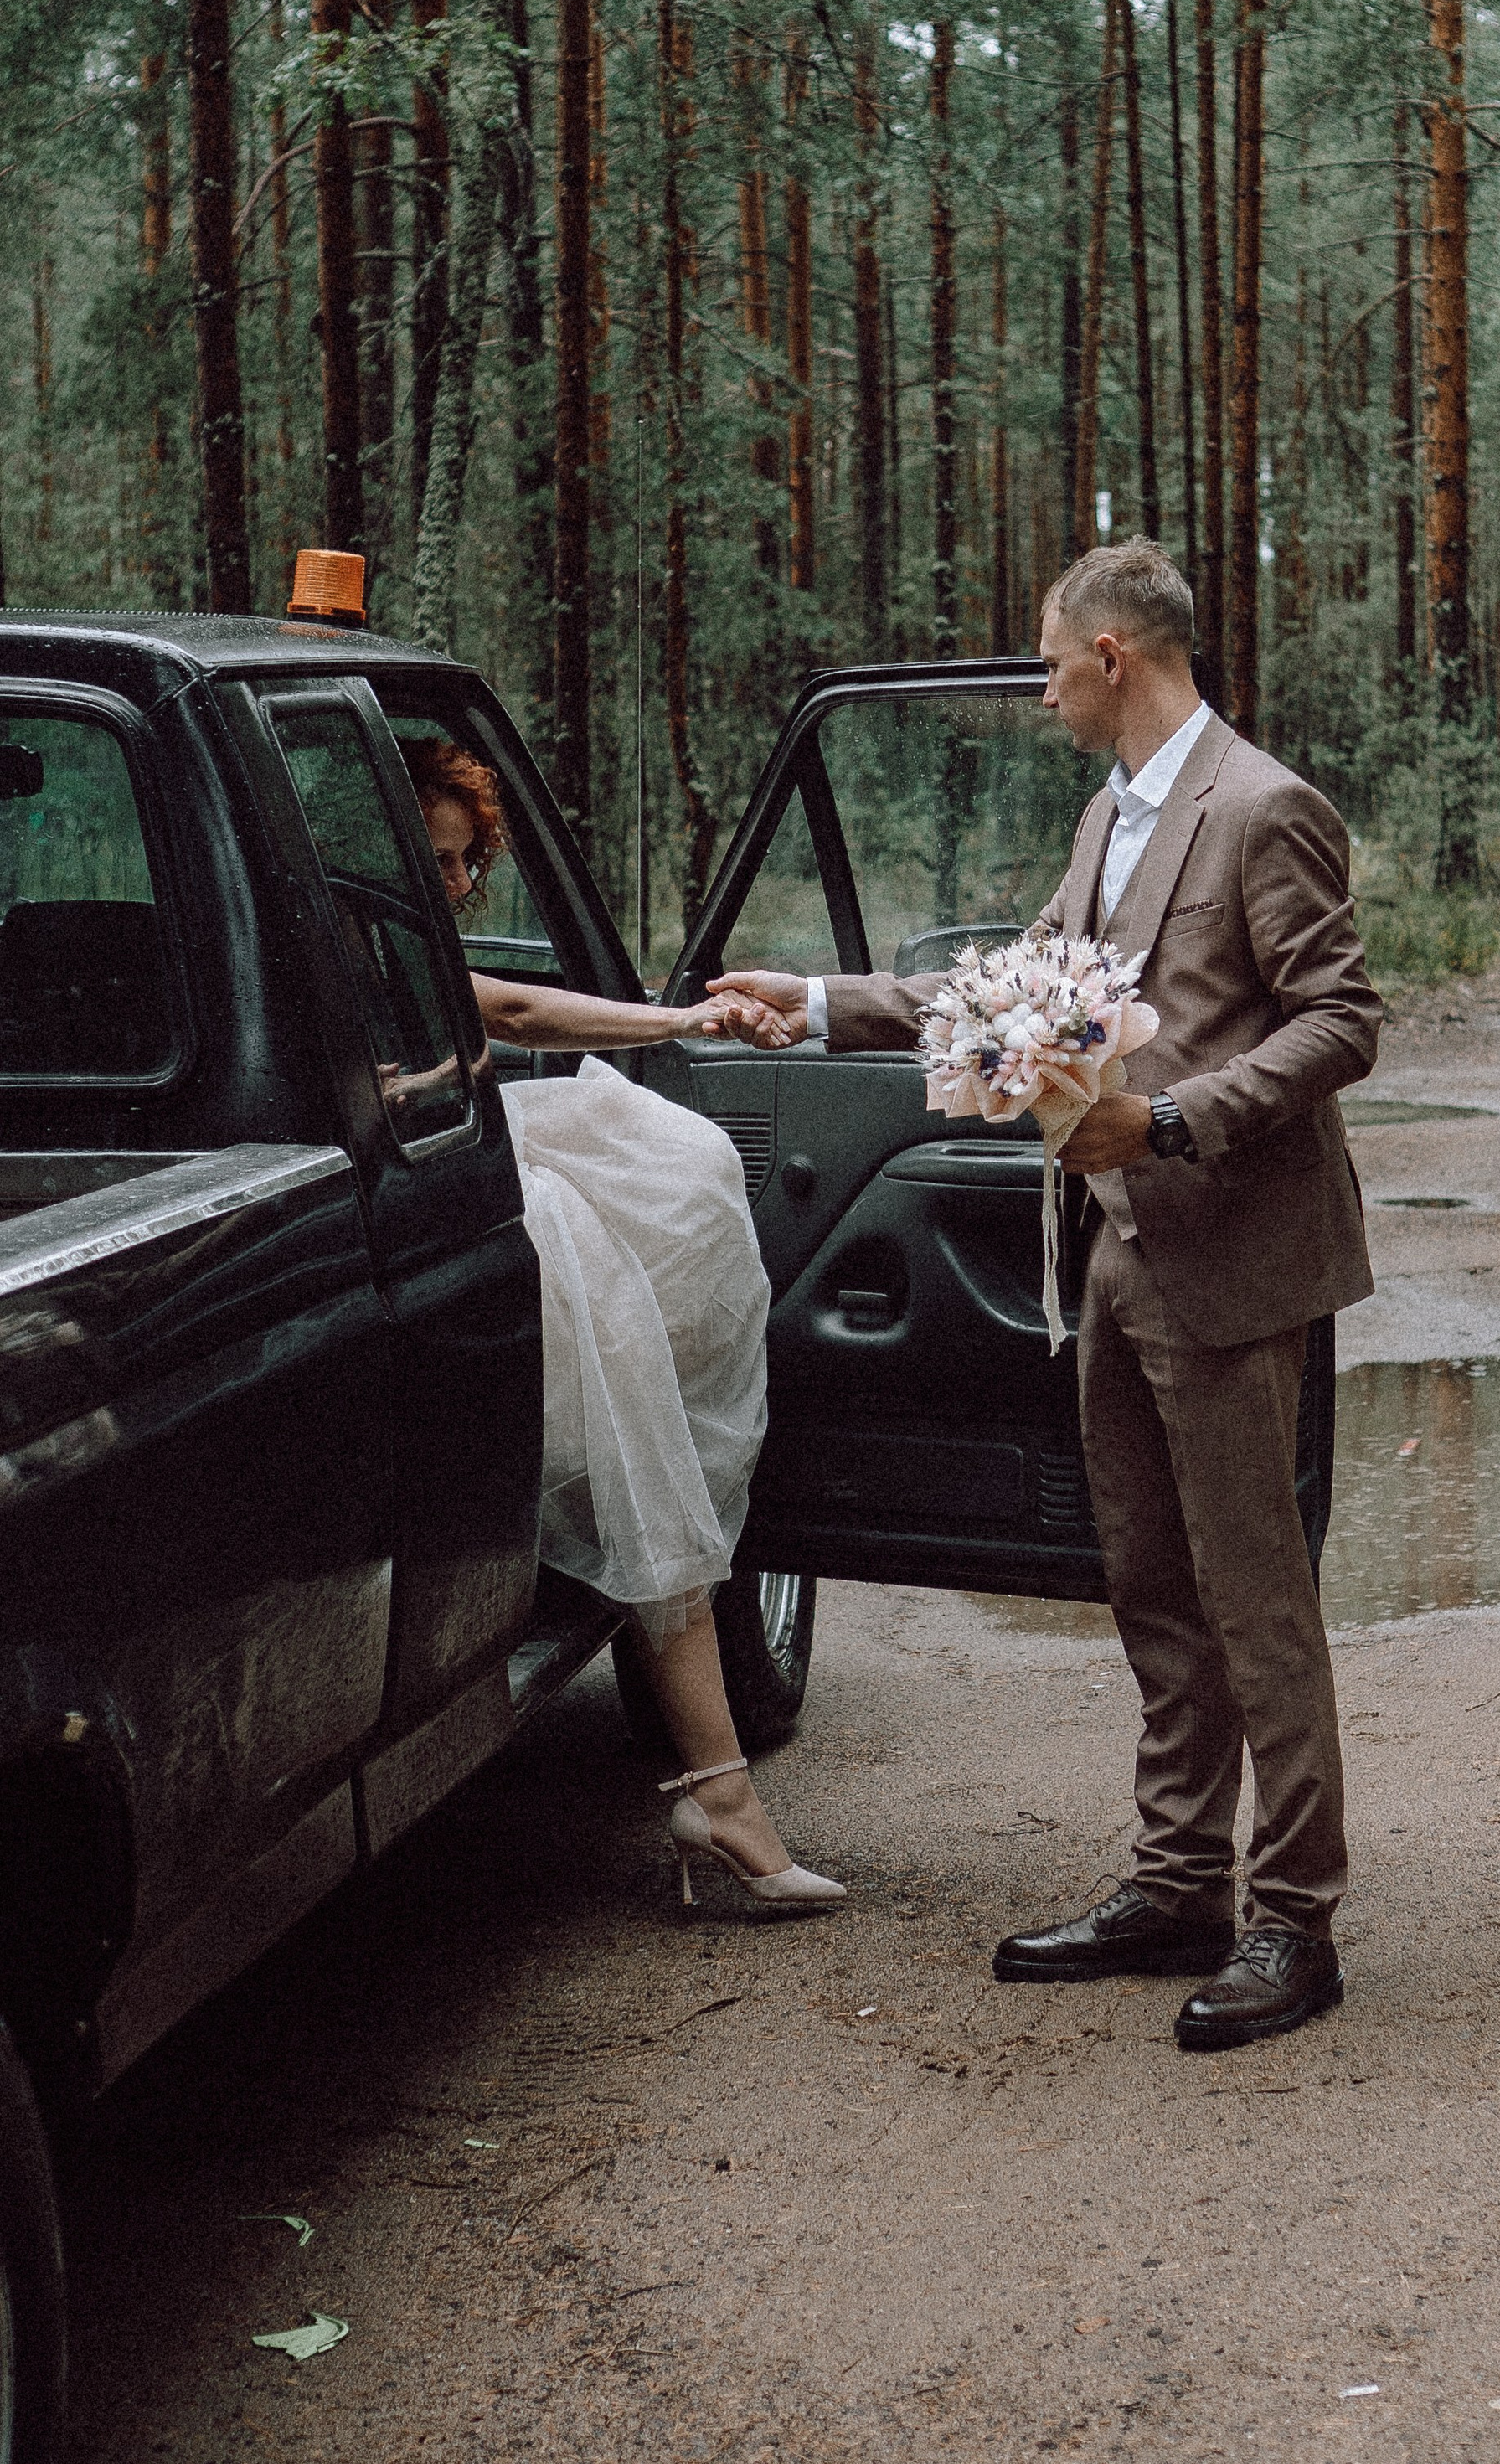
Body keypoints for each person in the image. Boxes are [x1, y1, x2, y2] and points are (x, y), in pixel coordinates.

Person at [712, 543, 1379, 2047]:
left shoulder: (1261, 808)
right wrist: (805, 1003)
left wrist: (1176, 1118)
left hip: (1229, 1254)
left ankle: (1295, 1920)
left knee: (1256, 1602)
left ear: (1114, 657)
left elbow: (1343, 1018)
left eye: (1052, 661)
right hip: (1109, 1254)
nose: (1043, 689)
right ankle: (1179, 1885)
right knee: (1151, 1588)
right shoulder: (1109, 817)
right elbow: (1007, 994)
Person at [403, 740, 842, 1917]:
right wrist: (683, 1017)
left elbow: (509, 1019)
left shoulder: (386, 938)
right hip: (444, 1185)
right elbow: (520, 1006)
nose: (457, 883)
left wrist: (676, 1018)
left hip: (463, 1157)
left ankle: (721, 1789)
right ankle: (721, 1794)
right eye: (435, 860)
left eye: (467, 862)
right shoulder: (363, 939)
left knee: (684, 1168)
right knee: (637, 1427)